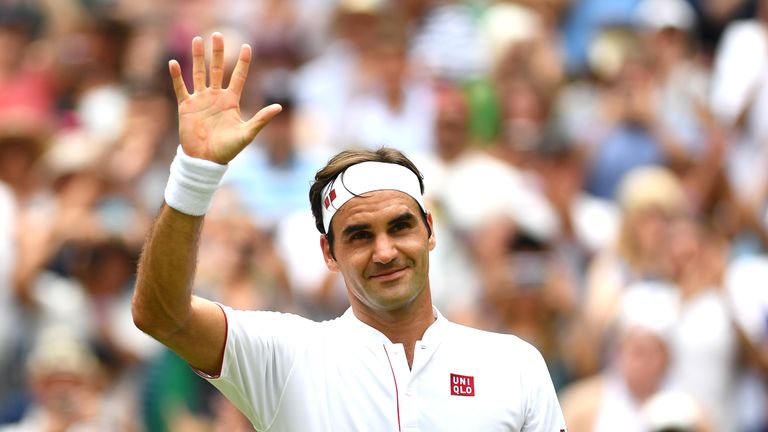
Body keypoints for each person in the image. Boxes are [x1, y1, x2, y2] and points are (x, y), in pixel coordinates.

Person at [131, 33, 566, 431]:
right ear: (329, 252)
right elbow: (161, 315)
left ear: (430, 230)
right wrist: (195, 173)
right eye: (359, 235)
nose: (385, 251)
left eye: (400, 226)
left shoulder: (515, 366)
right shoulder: (288, 356)